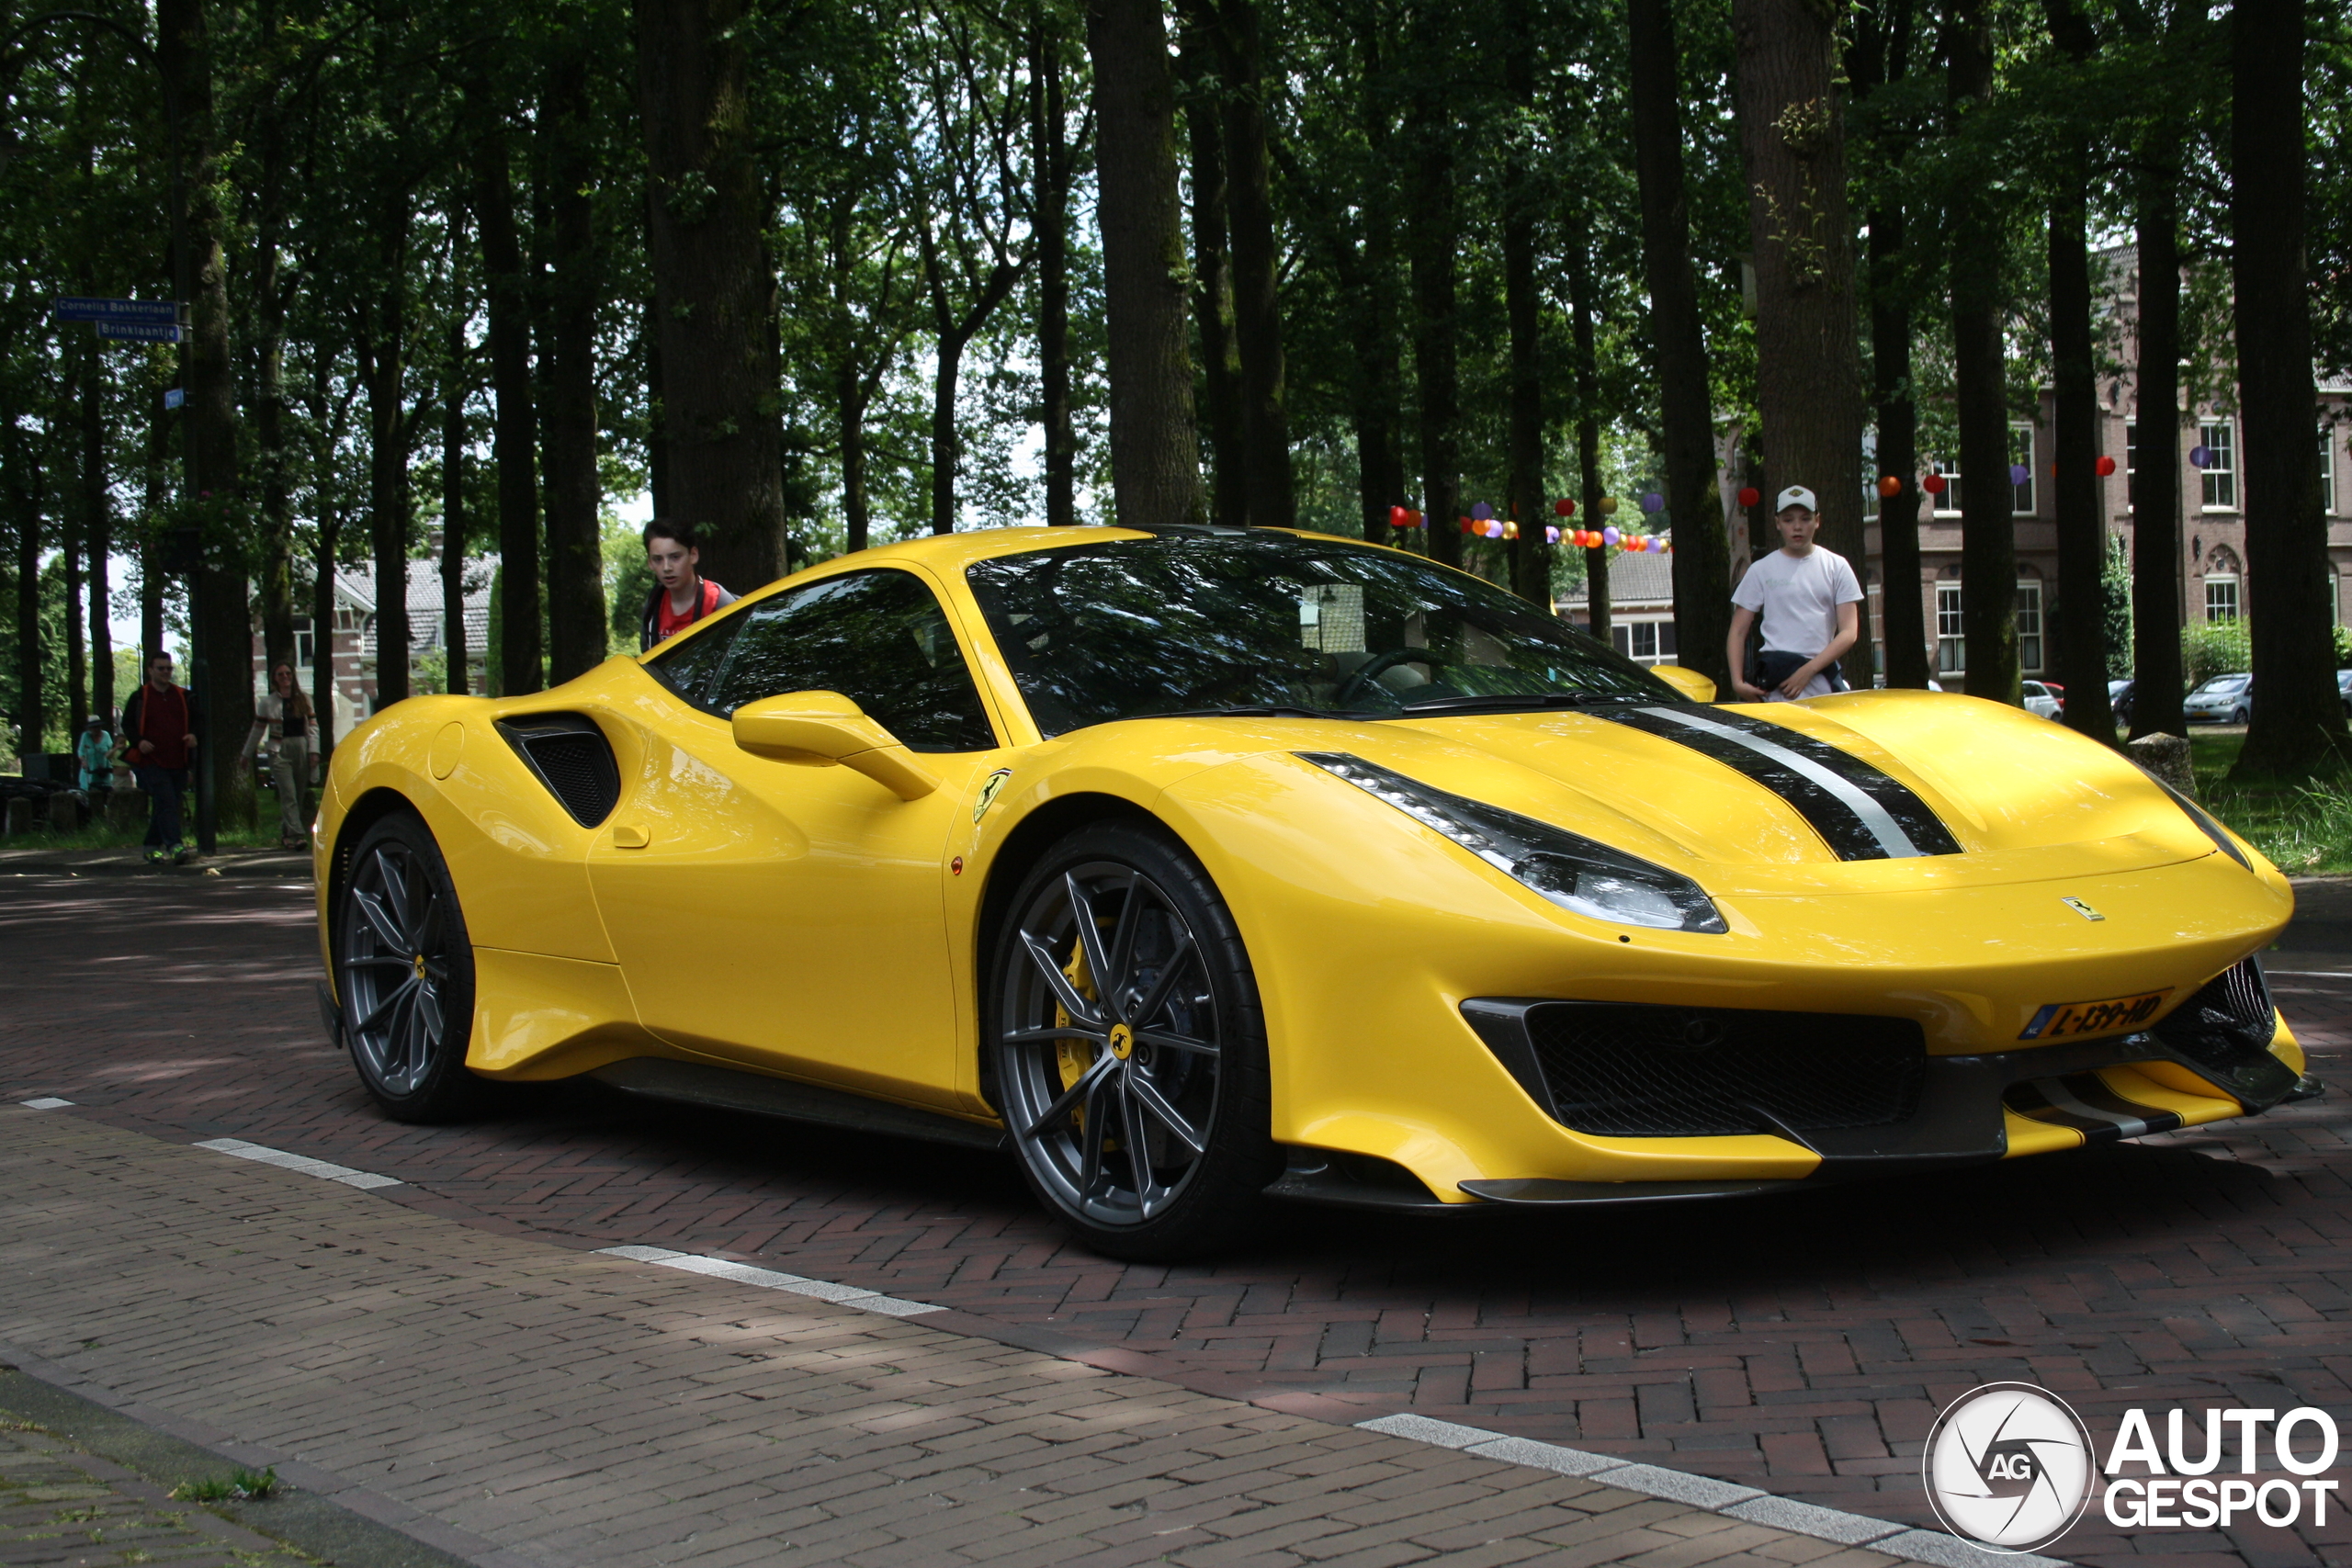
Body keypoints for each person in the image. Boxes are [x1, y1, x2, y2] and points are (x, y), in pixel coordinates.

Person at [1724, 485, 1862, 702]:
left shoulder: (1837, 566)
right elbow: (1738, 630)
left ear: (1817, 521)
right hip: (1776, 683)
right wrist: (1737, 682)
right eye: (1788, 520)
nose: (1797, 527)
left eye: (1805, 519)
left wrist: (1807, 671)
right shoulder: (1761, 570)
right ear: (1778, 523)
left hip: (1822, 681)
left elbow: (1849, 632)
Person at [120, 651, 198, 864]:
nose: (166, 672)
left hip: (178, 759)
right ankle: (175, 845)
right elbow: (127, 724)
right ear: (150, 670)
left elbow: (197, 721)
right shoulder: (140, 697)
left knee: (167, 803)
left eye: (169, 668)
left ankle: (151, 846)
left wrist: (193, 735)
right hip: (152, 760)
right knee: (166, 800)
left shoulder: (183, 696)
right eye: (161, 668)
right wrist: (139, 742)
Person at [241, 662, 316, 850]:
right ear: (274, 678)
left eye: (288, 673)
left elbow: (314, 727)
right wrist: (246, 754)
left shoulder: (304, 699)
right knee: (288, 794)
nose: (285, 677)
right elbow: (257, 731)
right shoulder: (267, 703)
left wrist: (314, 751)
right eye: (280, 674)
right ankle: (298, 836)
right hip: (278, 750)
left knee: (297, 795)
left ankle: (286, 834)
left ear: (292, 676)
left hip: (300, 746)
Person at [639, 520, 737, 650]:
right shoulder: (653, 603)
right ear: (650, 563)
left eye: (675, 557)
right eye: (658, 559)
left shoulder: (717, 602)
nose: (666, 567)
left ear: (693, 555)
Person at [75, 714, 115, 795]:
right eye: (94, 727)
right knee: (88, 794)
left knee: (106, 793)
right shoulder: (85, 736)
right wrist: (83, 761)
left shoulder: (106, 735)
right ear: (90, 728)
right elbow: (81, 751)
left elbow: (112, 749)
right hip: (89, 772)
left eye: (98, 727)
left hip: (104, 772)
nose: (97, 729)